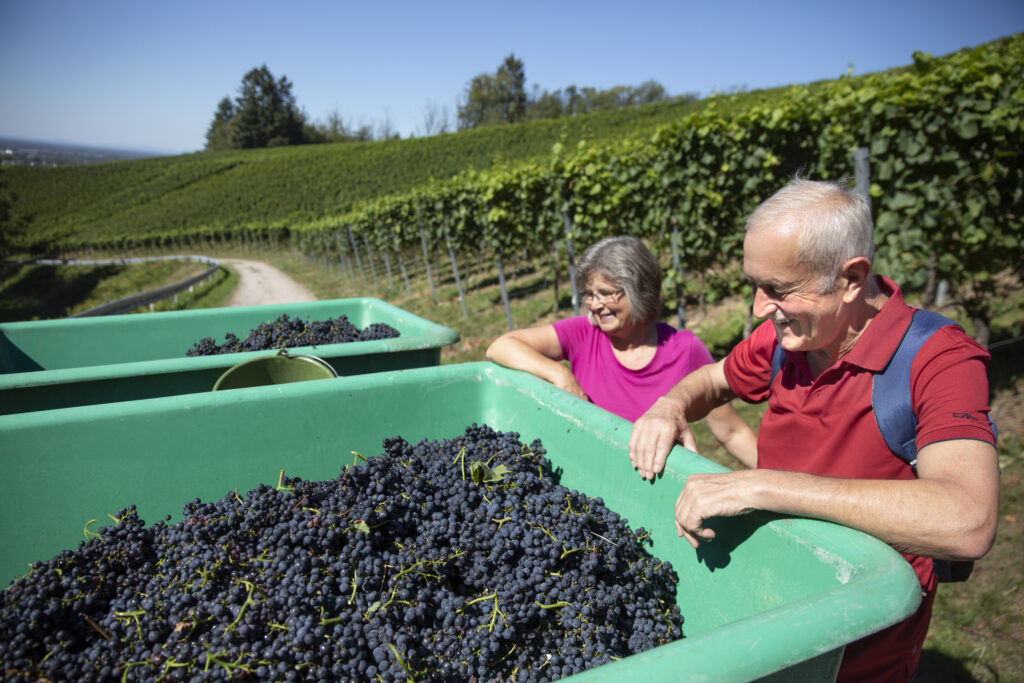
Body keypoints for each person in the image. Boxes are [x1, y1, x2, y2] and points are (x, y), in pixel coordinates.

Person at [627, 179, 1000, 681]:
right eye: (754, 285)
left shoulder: (938, 359)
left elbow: (968, 520)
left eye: (778, 290)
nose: (758, 308)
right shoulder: (784, 340)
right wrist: (669, 405)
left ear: (851, 279)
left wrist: (766, 485)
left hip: (859, 647)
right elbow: (714, 379)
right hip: (770, 611)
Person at [486, 235, 757, 463]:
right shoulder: (583, 334)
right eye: (590, 294)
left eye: (608, 293)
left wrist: (777, 481)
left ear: (639, 291)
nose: (595, 304)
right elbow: (501, 346)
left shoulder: (684, 350)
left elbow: (730, 431)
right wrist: (559, 374)